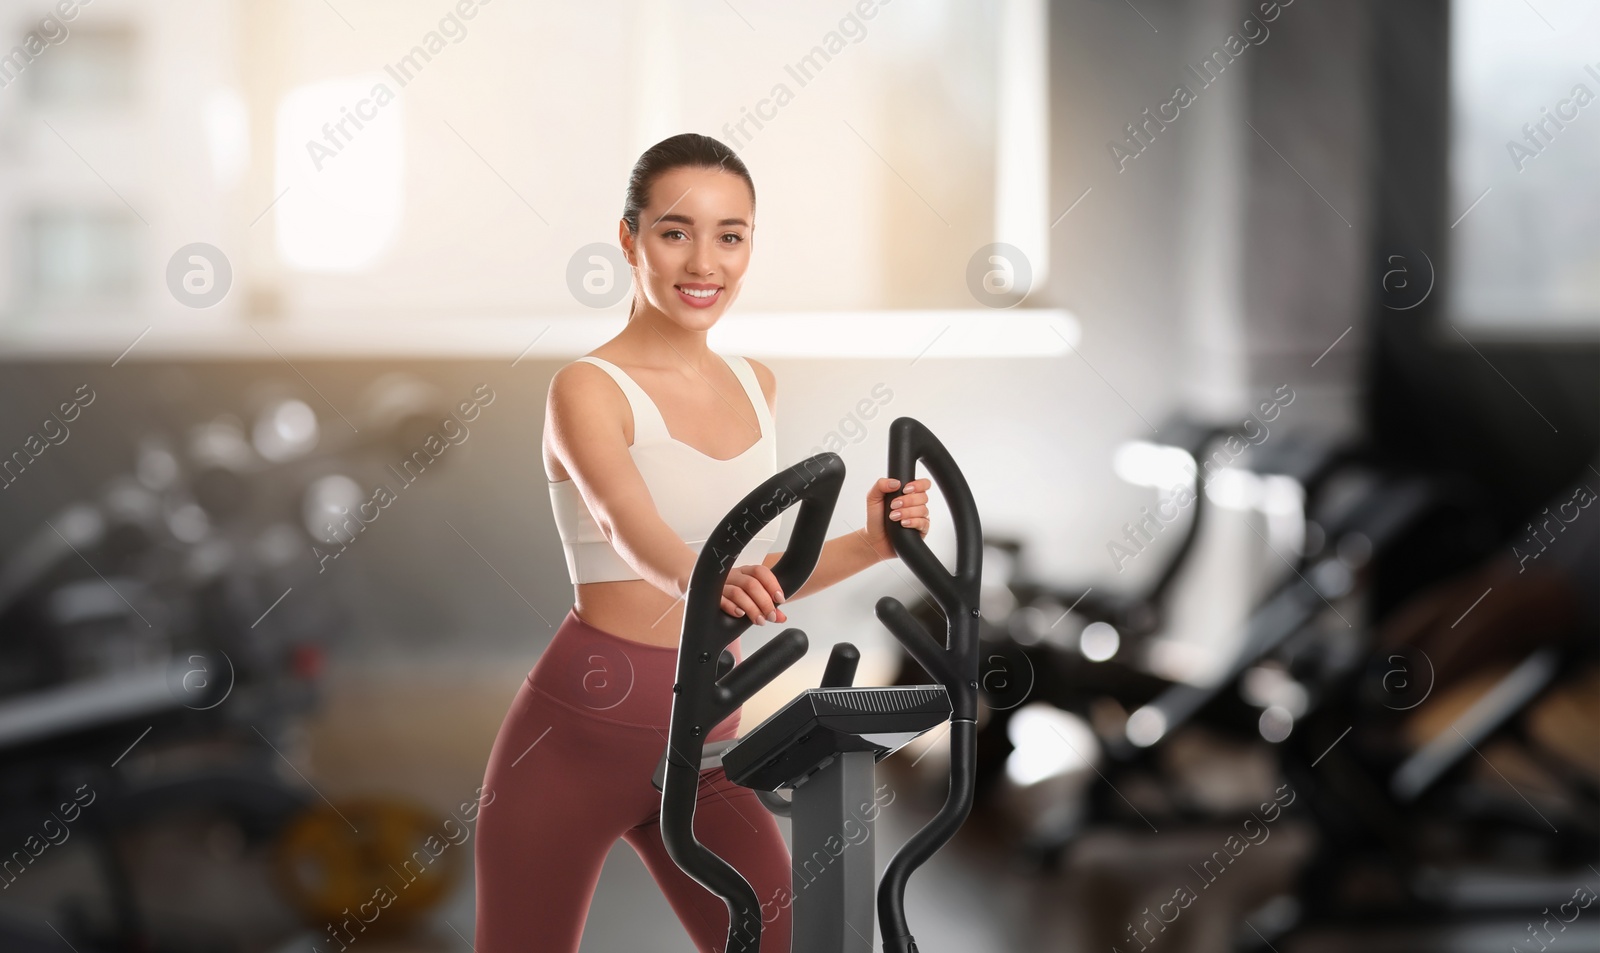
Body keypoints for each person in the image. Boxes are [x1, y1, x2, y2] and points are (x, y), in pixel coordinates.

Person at [473, 133, 934, 953]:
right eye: (675, 232)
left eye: (731, 235)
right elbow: (628, 523)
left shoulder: (756, 385)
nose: (705, 262)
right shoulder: (586, 387)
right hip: (574, 739)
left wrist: (871, 543)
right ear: (629, 238)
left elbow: (761, 577)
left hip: (708, 739)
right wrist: (703, 579)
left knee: (793, 944)